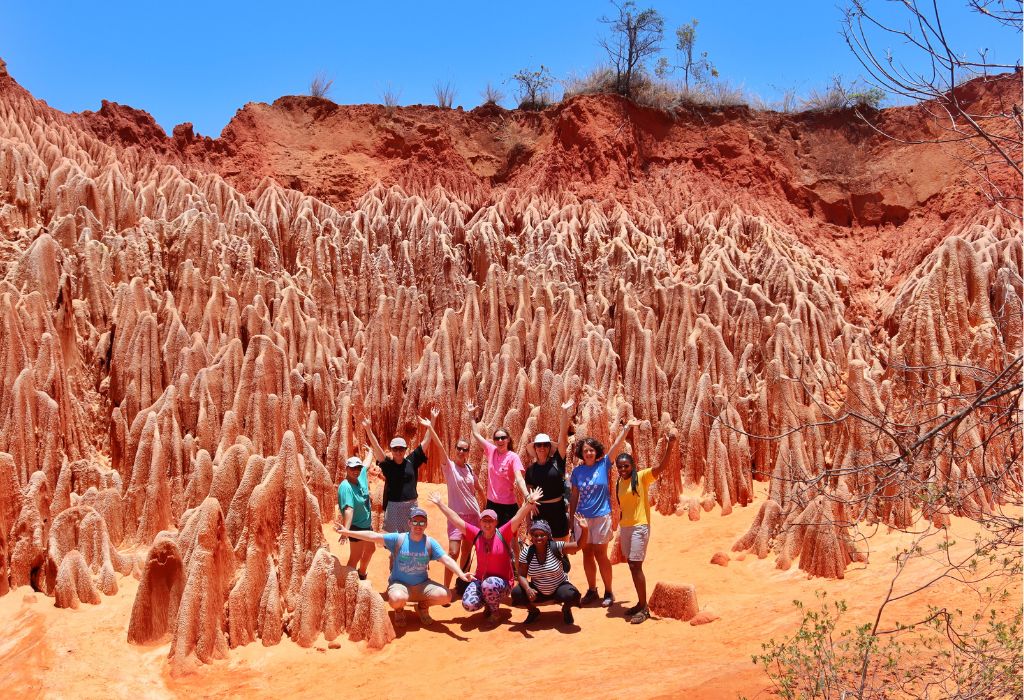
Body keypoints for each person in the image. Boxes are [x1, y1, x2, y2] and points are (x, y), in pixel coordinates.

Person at [339, 507, 473, 627]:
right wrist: (348, 532)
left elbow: (446, 560)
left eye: (422, 522)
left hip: (422, 585)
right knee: (396, 599)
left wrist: (461, 574)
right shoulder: (399, 539)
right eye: (415, 522)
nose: (418, 525)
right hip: (400, 584)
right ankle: (399, 610)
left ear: (426, 525)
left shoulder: (429, 543)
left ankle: (423, 607)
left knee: (446, 596)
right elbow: (374, 536)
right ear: (409, 523)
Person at [428, 486, 542, 624]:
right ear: (480, 522)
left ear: (496, 522)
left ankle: (495, 613)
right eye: (484, 521)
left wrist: (529, 503)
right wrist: (440, 504)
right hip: (481, 581)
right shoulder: (476, 534)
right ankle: (488, 602)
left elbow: (518, 517)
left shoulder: (503, 533)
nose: (487, 524)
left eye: (490, 521)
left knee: (489, 584)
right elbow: (456, 520)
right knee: (468, 604)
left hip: (503, 584)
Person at [568, 418, 641, 608]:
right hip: (582, 518)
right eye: (585, 451)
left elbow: (616, 446)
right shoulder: (577, 472)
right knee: (587, 554)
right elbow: (574, 497)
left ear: (596, 451)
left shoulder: (604, 464)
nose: (589, 453)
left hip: (601, 516)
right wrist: (571, 521)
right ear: (581, 454)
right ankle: (592, 590)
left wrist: (626, 428)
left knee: (601, 554)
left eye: (591, 450)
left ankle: (609, 591)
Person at [614, 430, 676, 624]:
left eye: (626, 466)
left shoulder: (641, 477)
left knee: (635, 565)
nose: (623, 469)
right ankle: (640, 603)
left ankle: (644, 608)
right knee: (632, 566)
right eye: (620, 467)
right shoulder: (619, 483)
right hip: (626, 527)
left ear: (632, 466)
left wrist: (670, 446)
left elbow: (661, 467)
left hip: (640, 526)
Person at [424, 419, 482, 591]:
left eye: (465, 449)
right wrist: (431, 427)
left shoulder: (470, 469)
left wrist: (485, 506)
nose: (461, 451)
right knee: (453, 552)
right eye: (459, 448)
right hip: (456, 517)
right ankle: (445, 587)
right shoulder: (449, 467)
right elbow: (441, 447)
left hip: (473, 516)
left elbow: (478, 488)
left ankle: (462, 584)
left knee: (466, 552)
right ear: (455, 450)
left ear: (468, 452)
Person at [362, 412, 434, 533]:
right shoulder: (388, 465)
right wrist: (368, 429)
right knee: (395, 542)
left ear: (405, 449)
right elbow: (377, 447)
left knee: (412, 536)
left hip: (411, 505)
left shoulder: (412, 460)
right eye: (395, 449)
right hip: (394, 506)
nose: (398, 451)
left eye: (401, 448)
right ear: (391, 450)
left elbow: (426, 441)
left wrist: (432, 421)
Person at [510, 516, 588, 625]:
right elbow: (522, 576)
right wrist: (528, 589)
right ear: (531, 536)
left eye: (542, 535)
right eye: (535, 535)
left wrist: (585, 530)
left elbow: (578, 546)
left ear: (548, 536)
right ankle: (533, 611)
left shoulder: (557, 546)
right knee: (517, 593)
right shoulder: (526, 552)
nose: (539, 538)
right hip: (538, 591)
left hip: (559, 588)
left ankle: (566, 609)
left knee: (572, 595)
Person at [466, 403, 528, 526]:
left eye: (503, 437)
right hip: (492, 503)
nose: (500, 441)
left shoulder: (513, 457)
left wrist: (527, 495)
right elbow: (476, 434)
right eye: (497, 438)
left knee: (510, 540)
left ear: (508, 439)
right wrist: (470, 415)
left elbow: (519, 478)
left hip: (508, 505)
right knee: (492, 536)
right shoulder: (491, 450)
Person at [524, 398, 574, 540]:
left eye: (545, 445)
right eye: (538, 445)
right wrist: (528, 522)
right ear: (535, 448)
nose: (542, 447)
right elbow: (527, 498)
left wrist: (564, 413)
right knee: (541, 554)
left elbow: (562, 437)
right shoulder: (531, 470)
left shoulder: (557, 461)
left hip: (558, 512)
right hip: (540, 515)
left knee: (560, 553)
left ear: (549, 447)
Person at [335, 452, 376, 580]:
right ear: (346, 468)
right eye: (352, 468)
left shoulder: (361, 476)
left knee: (370, 550)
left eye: (357, 468)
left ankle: (361, 574)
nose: (356, 471)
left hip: (366, 525)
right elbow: (349, 510)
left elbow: (366, 464)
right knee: (355, 557)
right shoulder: (346, 487)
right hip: (355, 527)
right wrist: (346, 531)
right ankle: (347, 585)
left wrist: (371, 452)